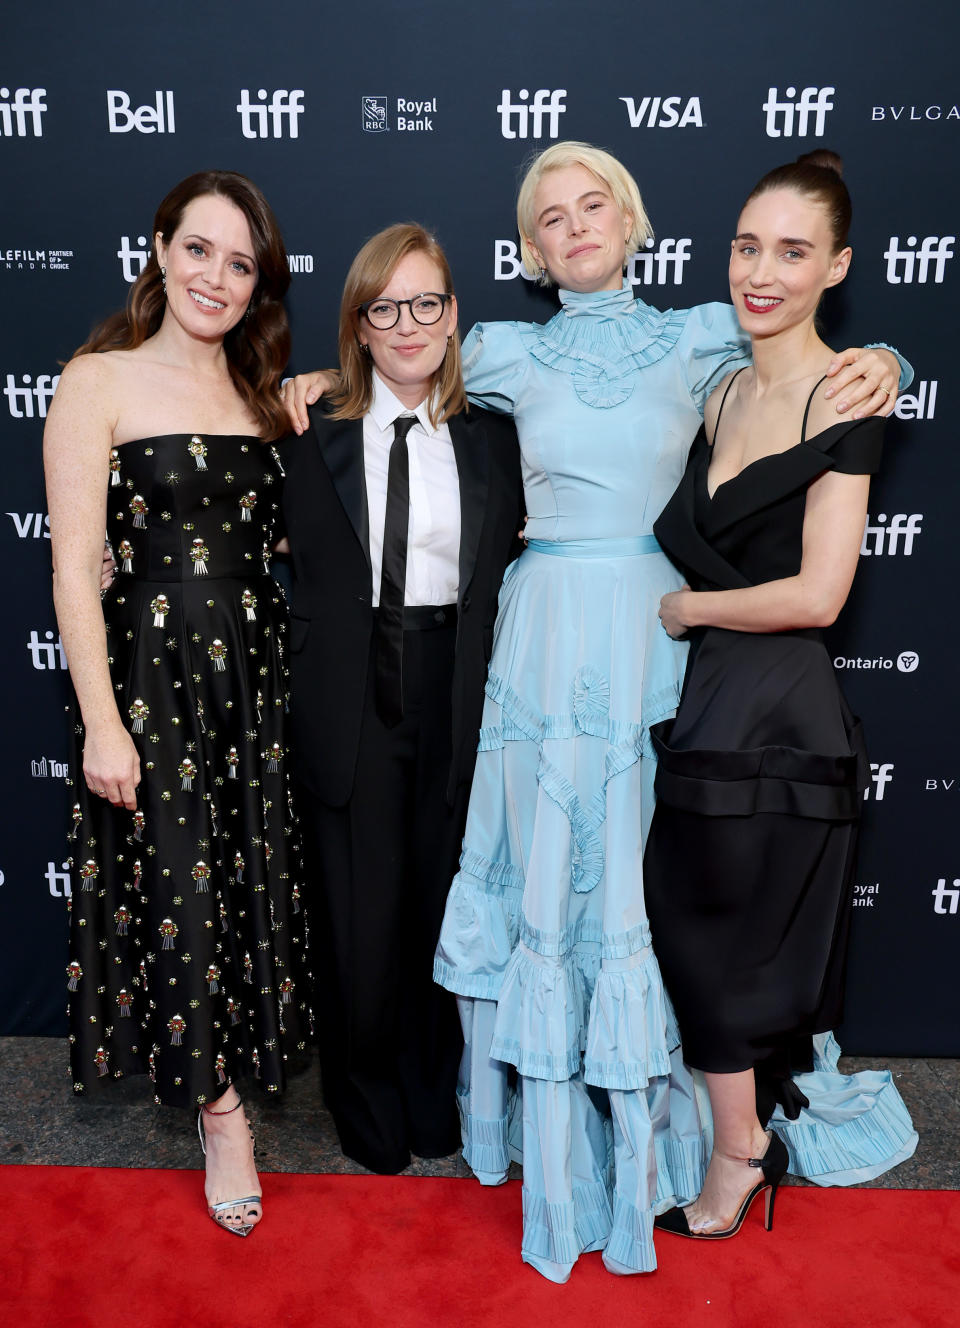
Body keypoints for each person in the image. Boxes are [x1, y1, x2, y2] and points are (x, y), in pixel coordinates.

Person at [282, 142, 907, 1281]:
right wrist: (313, 384)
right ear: (529, 245)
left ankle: (668, 1137)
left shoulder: (696, 332)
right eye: (549, 214)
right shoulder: (505, 349)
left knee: (641, 883)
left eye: (592, 205)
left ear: (631, 220)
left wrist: (890, 357)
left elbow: (807, 345)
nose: (574, 225)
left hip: (657, 629)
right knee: (543, 876)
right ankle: (544, 1139)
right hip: (539, 631)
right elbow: (398, 357)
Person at [644, 151, 917, 1241]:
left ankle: (739, 1154)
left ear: (837, 266)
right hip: (711, 702)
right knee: (694, 927)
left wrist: (687, 613)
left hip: (778, 713)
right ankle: (743, 1136)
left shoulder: (846, 394)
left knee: (720, 942)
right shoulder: (719, 384)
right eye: (747, 245)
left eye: (793, 250)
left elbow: (818, 591)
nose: (762, 270)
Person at [44, 170, 311, 1238]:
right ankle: (223, 1114)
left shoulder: (262, 391)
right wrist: (103, 721)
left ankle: (235, 1072)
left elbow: (291, 538)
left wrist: (318, 399)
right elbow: (72, 572)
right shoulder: (94, 380)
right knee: (179, 894)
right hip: (150, 680)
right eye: (198, 250)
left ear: (258, 284)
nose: (216, 276)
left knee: (246, 876)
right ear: (159, 250)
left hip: (253, 675)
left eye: (240, 263)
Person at [277, 224, 524, 1175]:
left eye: (427, 303)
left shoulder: (497, 439)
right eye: (387, 308)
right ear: (361, 326)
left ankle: (436, 1090)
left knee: (440, 897)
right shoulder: (305, 427)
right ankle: (363, 1090)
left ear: (454, 317)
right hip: (347, 696)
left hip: (457, 690)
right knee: (356, 910)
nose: (409, 324)